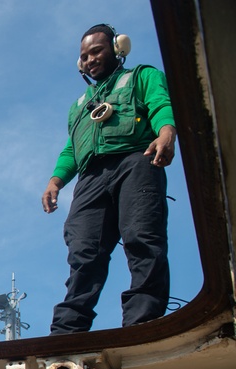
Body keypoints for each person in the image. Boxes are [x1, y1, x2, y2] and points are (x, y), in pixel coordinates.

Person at [42, 24, 176, 334]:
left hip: (136, 161)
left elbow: (160, 105)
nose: (89, 60)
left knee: (141, 237)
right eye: (84, 56)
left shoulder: (142, 76)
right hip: (91, 177)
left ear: (118, 48)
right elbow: (72, 148)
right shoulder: (78, 106)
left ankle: (142, 322)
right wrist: (55, 181)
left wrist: (166, 132)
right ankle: (67, 330)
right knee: (83, 252)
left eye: (96, 51)